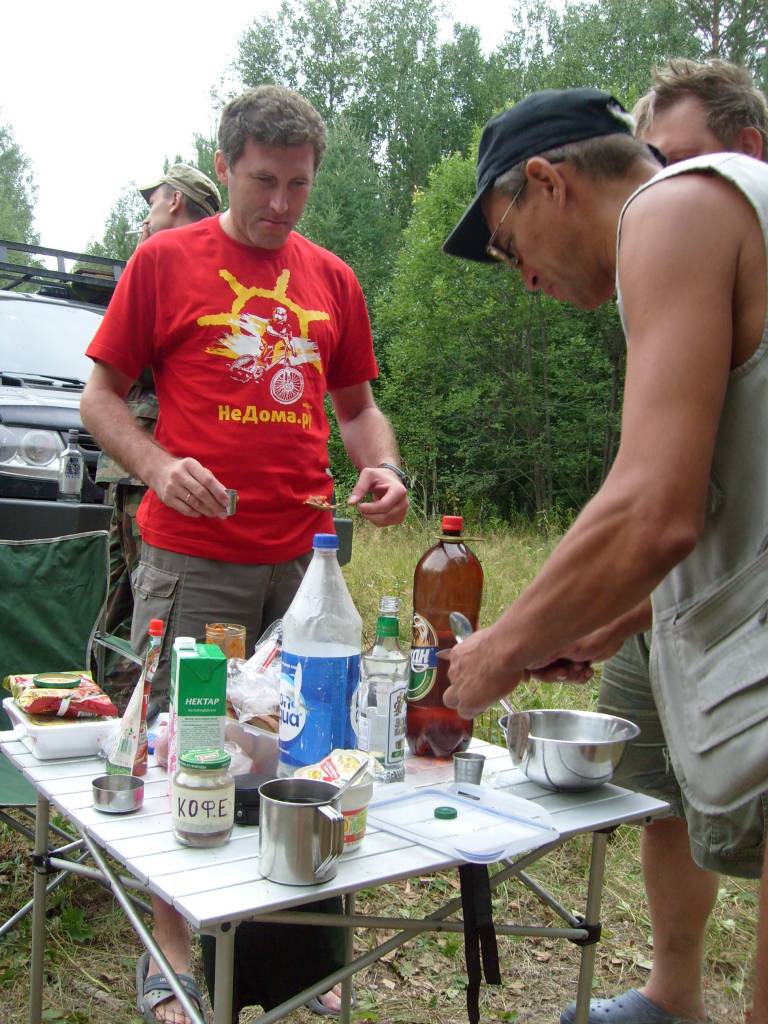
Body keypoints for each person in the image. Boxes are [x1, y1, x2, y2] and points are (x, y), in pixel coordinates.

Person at [441, 84, 768, 1024]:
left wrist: (498, 652)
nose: (523, 279)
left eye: (510, 248)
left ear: (549, 182)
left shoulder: (672, 209)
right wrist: (612, 614)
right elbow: (730, 505)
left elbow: (651, 511)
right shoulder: (729, 208)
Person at [81, 85, 408, 1024]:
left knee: (306, 749)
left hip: (307, 568)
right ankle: (173, 954)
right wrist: (155, 465)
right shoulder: (164, 262)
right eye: (264, 181)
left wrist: (384, 467)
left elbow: (357, 409)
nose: (281, 203)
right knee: (187, 744)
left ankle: (291, 952)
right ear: (224, 166)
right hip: (195, 557)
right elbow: (99, 398)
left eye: (299, 184)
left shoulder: (332, 278)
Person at [584, 58, 768, 1024]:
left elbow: (669, 502)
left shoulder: (722, 218)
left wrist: (507, 650)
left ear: (748, 152)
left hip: (743, 589)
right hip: (674, 582)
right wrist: (617, 609)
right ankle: (673, 992)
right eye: (647, 163)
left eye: (678, 161)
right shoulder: (667, 244)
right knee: (656, 776)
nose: (653, 188)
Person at [95, 164, 222, 710]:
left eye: (153, 205)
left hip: (154, 464)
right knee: (127, 600)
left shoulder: (170, 261)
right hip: (147, 462)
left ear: (174, 201)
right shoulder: (190, 261)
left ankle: (130, 716)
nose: (146, 218)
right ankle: (117, 711)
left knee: (142, 600)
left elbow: (133, 364)